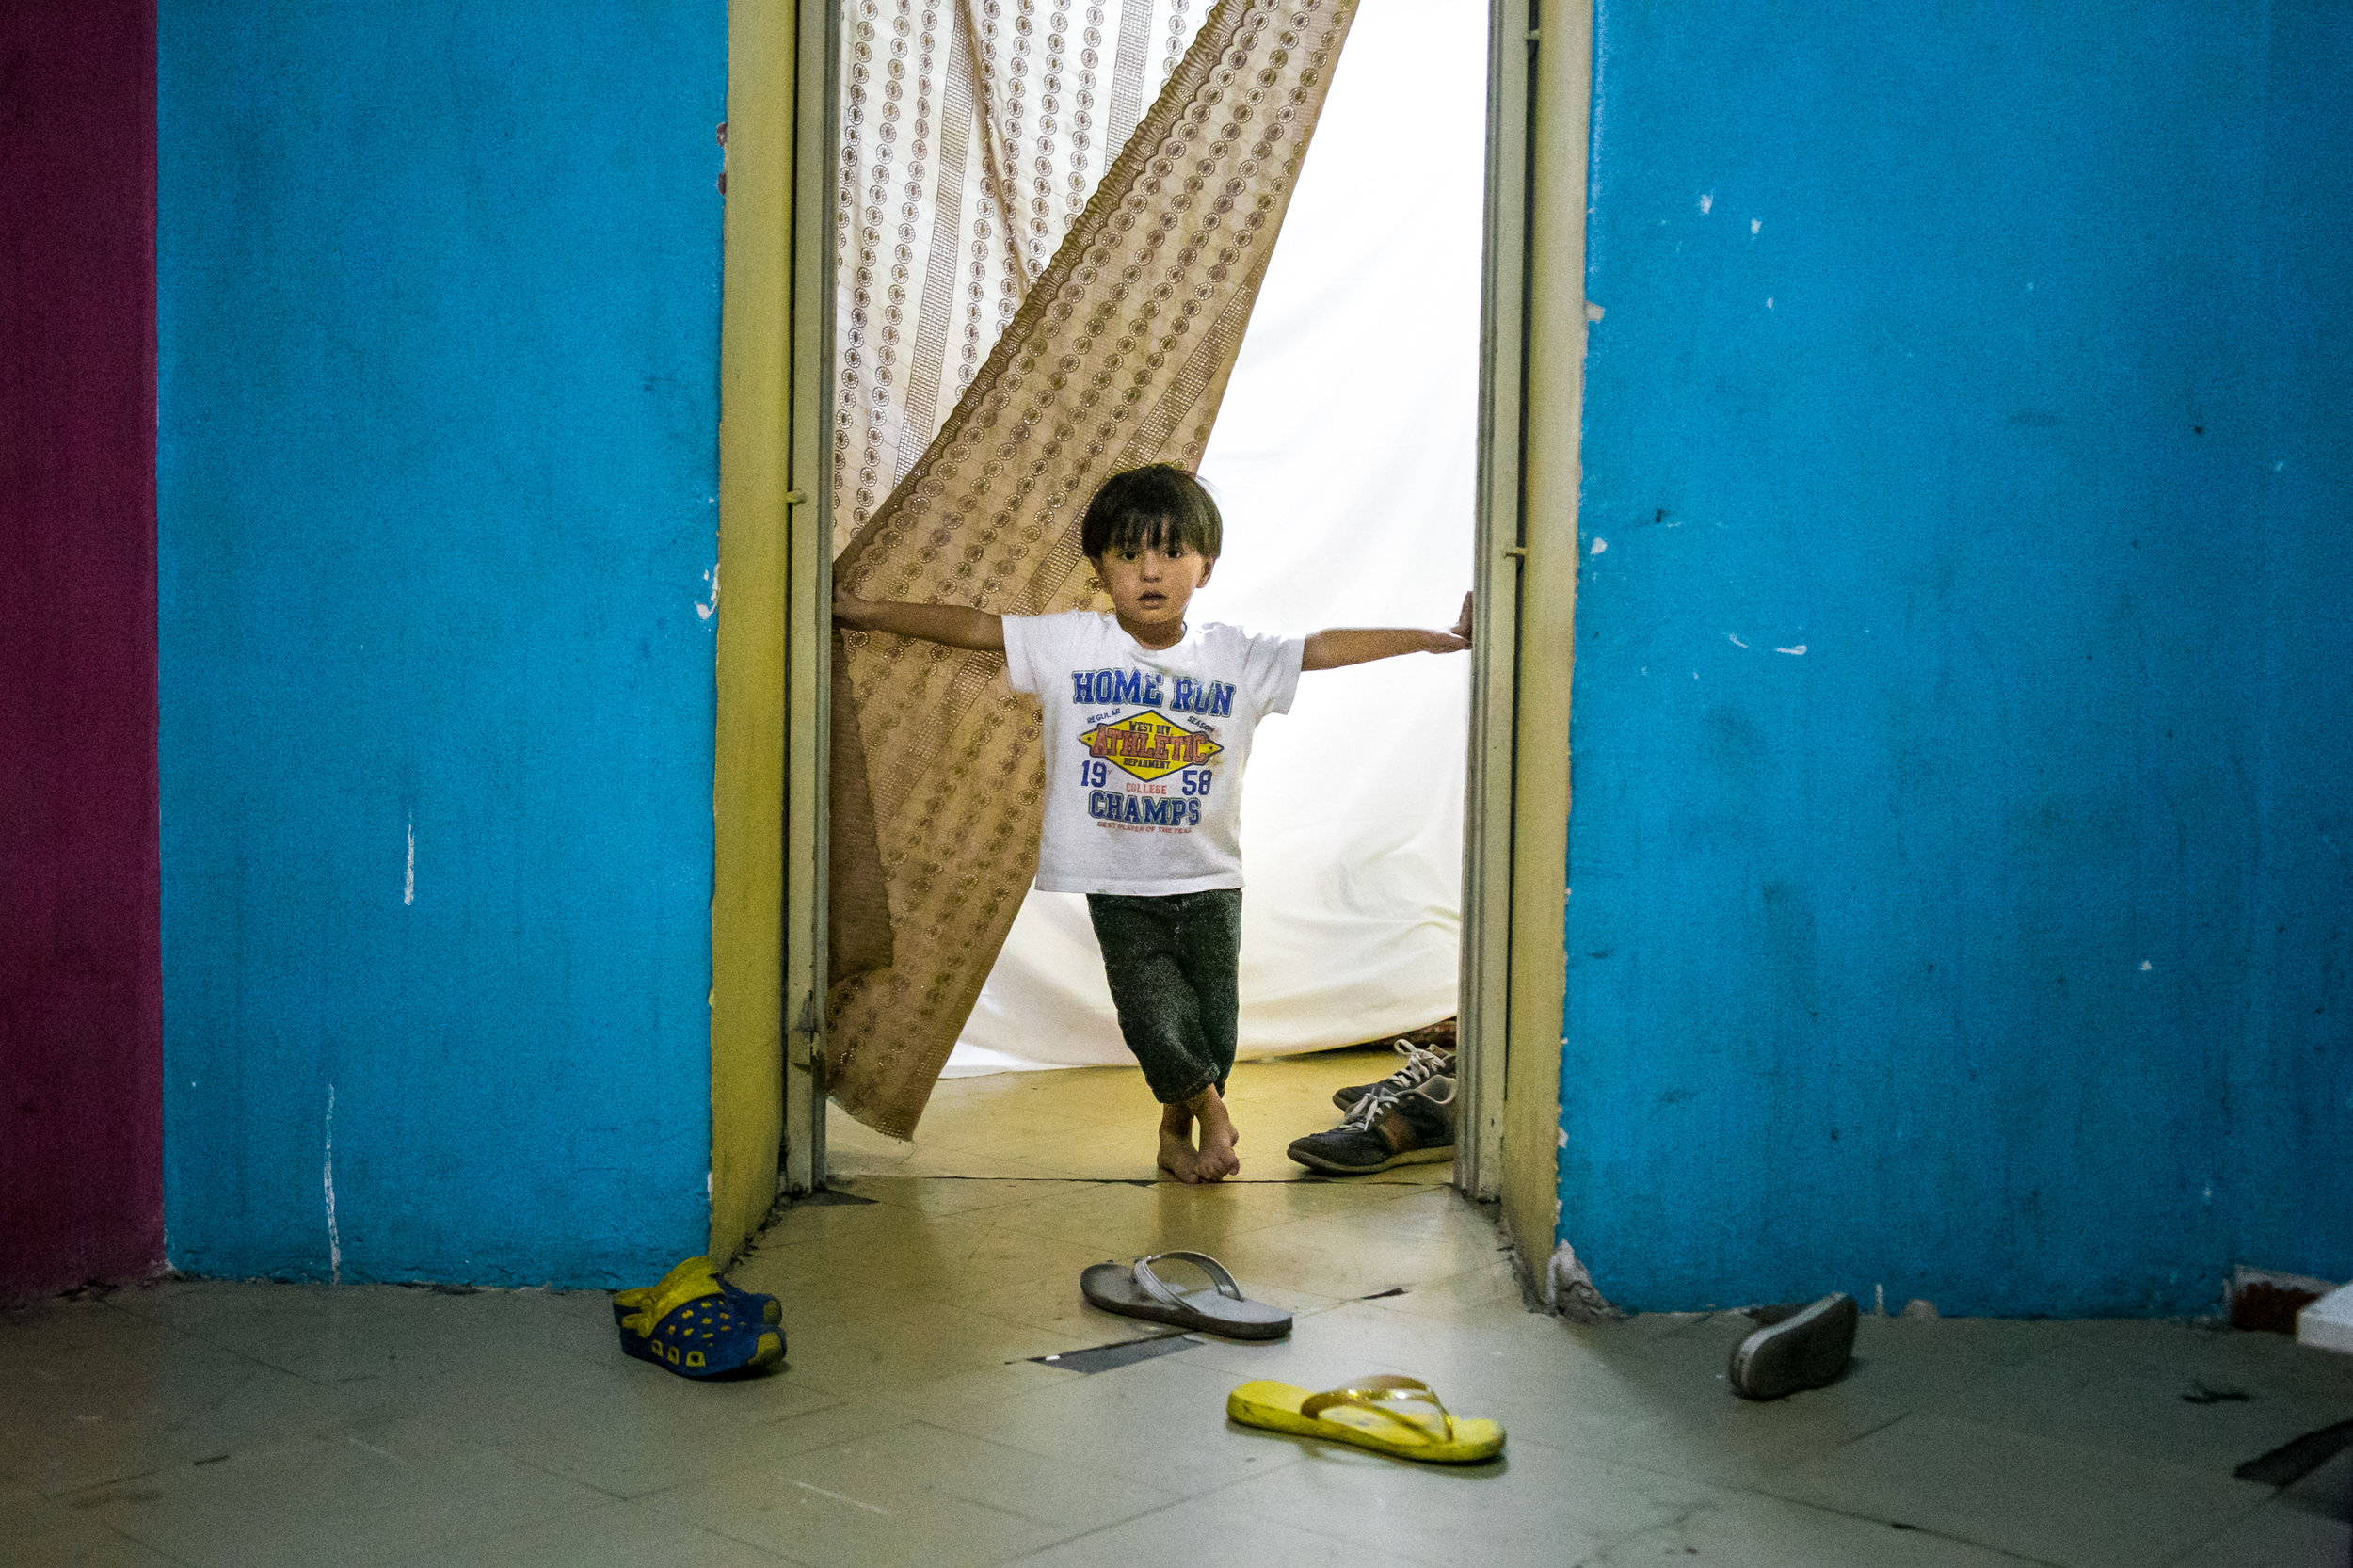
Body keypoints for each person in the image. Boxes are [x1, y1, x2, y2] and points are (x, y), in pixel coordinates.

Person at [832, 464, 1472, 1182]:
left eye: (1171, 553)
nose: (1150, 572)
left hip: (1209, 878)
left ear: (1206, 567)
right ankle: (1217, 1117)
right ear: (1100, 569)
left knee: (1211, 1031)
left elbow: (1323, 646)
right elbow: (975, 628)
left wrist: (1435, 636)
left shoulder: (1234, 655)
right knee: (1152, 1017)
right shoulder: (1072, 644)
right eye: (1128, 554)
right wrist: (864, 610)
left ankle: (1175, 1131)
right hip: (1118, 882)